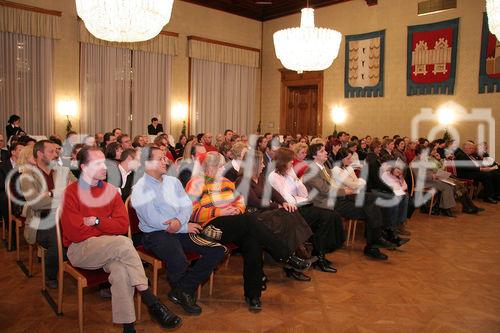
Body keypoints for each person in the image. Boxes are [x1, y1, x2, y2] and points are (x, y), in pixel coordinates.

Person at [61, 146, 181, 332]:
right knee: (123, 242)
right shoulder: (71, 192)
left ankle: (128, 328)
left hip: (112, 249)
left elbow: (122, 225)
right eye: (98, 163)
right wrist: (106, 227)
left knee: (121, 271)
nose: (105, 167)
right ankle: (152, 302)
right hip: (80, 249)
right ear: (84, 167)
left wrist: (96, 222)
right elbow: (74, 233)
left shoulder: (110, 190)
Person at [186, 152, 310, 312]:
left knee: (253, 241)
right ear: (210, 166)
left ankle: (253, 295)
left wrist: (235, 211)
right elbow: (192, 212)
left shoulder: (227, 182)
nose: (224, 168)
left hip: (232, 225)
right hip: (209, 228)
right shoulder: (196, 183)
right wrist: (219, 212)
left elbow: (240, 203)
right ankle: (287, 256)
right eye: (221, 165)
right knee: (250, 221)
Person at [132, 147, 225, 315]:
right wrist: (183, 226)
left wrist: (180, 223)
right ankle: (184, 293)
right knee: (179, 260)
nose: (165, 161)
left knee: (217, 250)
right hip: (155, 235)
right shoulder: (140, 188)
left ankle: (182, 290)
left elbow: (187, 205)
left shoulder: (172, 182)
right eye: (160, 159)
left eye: (164, 158)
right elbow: (154, 220)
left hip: (179, 228)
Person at [305, 145, 398, 260]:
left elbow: (333, 183)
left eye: (325, 150)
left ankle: (376, 241)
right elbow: (325, 190)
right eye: (322, 151)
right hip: (327, 202)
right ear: (314, 155)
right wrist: (344, 191)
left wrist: (345, 190)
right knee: (371, 210)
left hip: (338, 197)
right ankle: (374, 244)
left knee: (372, 200)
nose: (326, 153)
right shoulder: (311, 169)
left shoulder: (323, 167)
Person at [237, 150, 313, 281]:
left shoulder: (260, 178)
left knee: (290, 212)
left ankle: (297, 253)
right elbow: (254, 201)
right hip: (253, 216)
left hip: (266, 213)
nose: (263, 165)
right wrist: (276, 206)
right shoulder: (242, 180)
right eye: (261, 163)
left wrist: (283, 202)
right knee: (287, 218)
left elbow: (273, 193)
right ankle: (299, 252)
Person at [269, 148, 345, 272]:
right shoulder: (274, 176)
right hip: (288, 211)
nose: (292, 163)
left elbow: (303, 193)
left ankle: (320, 253)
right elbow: (285, 198)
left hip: (301, 206)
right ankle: (319, 256)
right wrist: (295, 196)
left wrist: (296, 181)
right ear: (283, 161)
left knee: (332, 216)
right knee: (327, 217)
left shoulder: (288, 173)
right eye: (290, 161)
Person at [20, 140, 76, 288]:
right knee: (58, 239)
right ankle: (50, 274)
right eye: (51, 151)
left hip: (65, 216)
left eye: (56, 151)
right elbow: (36, 203)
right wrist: (61, 193)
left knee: (85, 233)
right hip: (40, 221)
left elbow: (77, 190)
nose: (55, 154)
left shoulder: (62, 170)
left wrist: (50, 194)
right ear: (39, 154)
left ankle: (79, 265)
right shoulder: (27, 176)